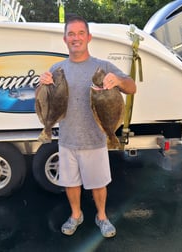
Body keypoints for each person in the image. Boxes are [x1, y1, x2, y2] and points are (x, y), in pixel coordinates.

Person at [39, 16, 136, 238]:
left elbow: (132, 88)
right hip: (67, 140)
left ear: (89, 37)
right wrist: (41, 84)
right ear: (65, 39)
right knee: (70, 184)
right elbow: (42, 99)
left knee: (98, 183)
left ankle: (101, 216)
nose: (76, 38)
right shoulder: (57, 69)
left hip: (95, 139)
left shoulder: (103, 67)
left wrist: (119, 81)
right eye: (71, 34)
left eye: (80, 33)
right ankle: (76, 215)